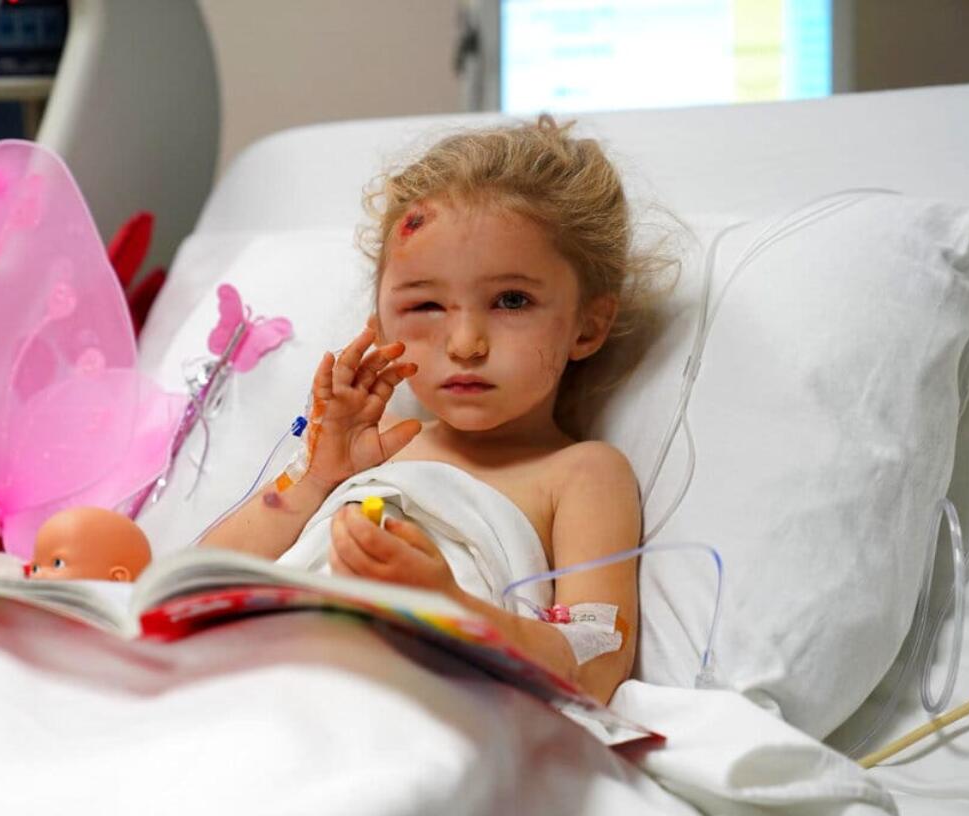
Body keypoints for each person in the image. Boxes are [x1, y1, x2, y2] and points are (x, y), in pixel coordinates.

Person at [201, 115, 672, 704]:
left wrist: (450, 607)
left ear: (588, 324)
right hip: (263, 672)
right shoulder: (367, 452)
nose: (465, 343)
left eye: (511, 300)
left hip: (412, 698)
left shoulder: (580, 473)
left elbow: (598, 663)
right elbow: (196, 580)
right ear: (380, 324)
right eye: (426, 304)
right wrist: (316, 476)